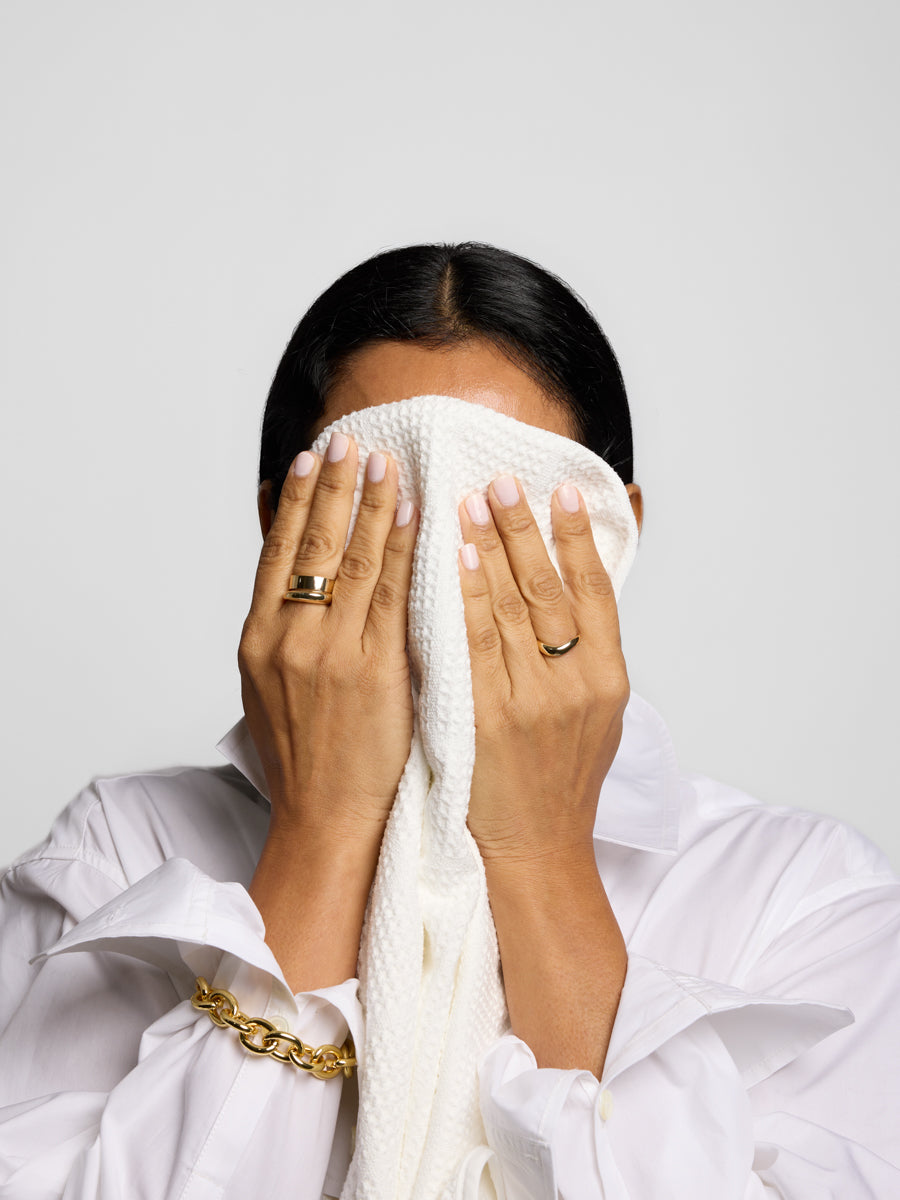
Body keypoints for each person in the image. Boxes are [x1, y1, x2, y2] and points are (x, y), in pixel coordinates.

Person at [0, 241, 897, 1199]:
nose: (435, 580)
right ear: (283, 528)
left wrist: (541, 854)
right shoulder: (113, 856)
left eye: (497, 523)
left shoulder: (803, 899)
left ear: (611, 539)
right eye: (384, 513)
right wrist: (323, 834)